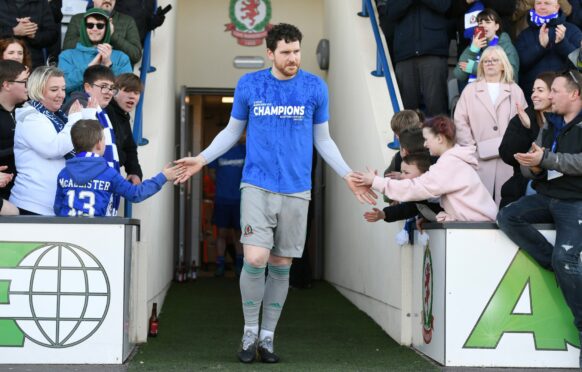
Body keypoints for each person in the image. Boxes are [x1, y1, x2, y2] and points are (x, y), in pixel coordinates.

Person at [174, 23, 376, 364]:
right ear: (269, 53)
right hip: (257, 184)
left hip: (298, 188)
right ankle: (249, 331)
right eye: (285, 52)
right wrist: (202, 158)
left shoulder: (315, 87)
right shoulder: (250, 84)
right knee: (255, 258)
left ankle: (267, 337)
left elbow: (323, 139)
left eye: (296, 51)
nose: (293, 57)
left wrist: (346, 175)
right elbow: (232, 130)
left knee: (281, 264)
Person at [497, 69, 582, 369]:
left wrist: (544, 159)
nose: (550, 95)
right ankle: (555, 266)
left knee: (567, 260)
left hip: (575, 202)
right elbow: (537, 165)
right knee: (508, 216)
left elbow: (574, 162)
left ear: (574, 94)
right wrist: (532, 167)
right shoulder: (552, 123)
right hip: (548, 195)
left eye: (555, 90)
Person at [353, 115, 498, 222]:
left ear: (439, 139)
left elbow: (417, 189)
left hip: (478, 228)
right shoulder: (451, 161)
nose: (425, 145)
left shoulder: (450, 164)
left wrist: (375, 181)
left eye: (427, 139)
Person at [9, 66, 94, 215]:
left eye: (63, 89)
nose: (61, 95)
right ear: (38, 90)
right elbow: (53, 148)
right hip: (32, 206)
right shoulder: (30, 117)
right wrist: (74, 120)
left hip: (56, 205)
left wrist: (87, 117)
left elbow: (86, 147)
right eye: (54, 90)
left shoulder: (59, 117)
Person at [54, 119, 181, 216]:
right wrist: (163, 177)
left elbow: (58, 207)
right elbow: (135, 194)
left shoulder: (64, 173)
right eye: (104, 139)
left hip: (67, 234)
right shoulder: (108, 173)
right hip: (95, 234)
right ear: (99, 144)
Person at [454, 46, 527, 206]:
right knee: (479, 205)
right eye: (486, 60)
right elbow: (460, 120)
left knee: (506, 204)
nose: (490, 63)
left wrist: (512, 147)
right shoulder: (470, 90)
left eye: (495, 60)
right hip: (478, 157)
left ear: (503, 65)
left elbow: (524, 123)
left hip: (507, 159)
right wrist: (471, 148)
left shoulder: (515, 90)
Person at [63, 65, 122, 215]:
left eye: (112, 88)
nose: (109, 92)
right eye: (103, 87)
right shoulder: (81, 105)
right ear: (87, 87)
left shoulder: (101, 110)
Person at [499, 71, 556, 207]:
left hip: (559, 185)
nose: (534, 95)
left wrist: (532, 128)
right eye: (533, 90)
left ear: (554, 93)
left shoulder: (565, 119)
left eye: (540, 90)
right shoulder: (523, 118)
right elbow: (507, 155)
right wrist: (527, 128)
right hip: (524, 182)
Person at [385, 0, 451, 116]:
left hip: (433, 51)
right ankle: (409, 135)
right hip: (405, 54)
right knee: (407, 111)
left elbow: (445, 5)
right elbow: (391, 12)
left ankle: (438, 135)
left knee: (436, 107)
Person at [515, 0, 582, 105]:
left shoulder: (572, 30)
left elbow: (580, 63)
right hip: (533, 98)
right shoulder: (524, 34)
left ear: (557, 7)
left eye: (547, 3)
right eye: (539, 3)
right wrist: (540, 47)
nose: (542, 7)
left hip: (565, 99)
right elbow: (520, 65)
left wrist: (563, 44)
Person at [59, 8, 132, 96]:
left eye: (100, 26)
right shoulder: (67, 56)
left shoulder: (122, 57)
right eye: (90, 25)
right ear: (83, 28)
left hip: (110, 109)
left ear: (107, 29)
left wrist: (109, 65)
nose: (95, 29)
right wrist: (89, 68)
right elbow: (63, 87)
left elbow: (127, 92)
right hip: (76, 108)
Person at [364, 152, 442, 224]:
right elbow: (405, 209)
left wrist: (374, 181)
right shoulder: (417, 199)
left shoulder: (434, 188)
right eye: (401, 172)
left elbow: (406, 190)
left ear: (425, 174)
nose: (401, 176)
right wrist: (383, 214)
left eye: (406, 172)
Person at [63, 0, 142, 66]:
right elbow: (67, 48)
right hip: (82, 73)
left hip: (117, 76)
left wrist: (112, 35)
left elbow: (136, 56)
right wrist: (93, 33)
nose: (108, 0)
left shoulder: (127, 21)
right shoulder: (78, 19)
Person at [208, 140, 245, 277]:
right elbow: (211, 172)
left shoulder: (245, 150)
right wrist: (223, 185)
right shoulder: (219, 148)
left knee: (239, 234)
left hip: (241, 200)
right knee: (221, 233)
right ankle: (220, 266)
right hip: (222, 199)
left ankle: (239, 266)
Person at [454, 8, 520, 85]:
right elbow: (459, 74)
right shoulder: (475, 45)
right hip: (474, 93)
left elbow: (512, 74)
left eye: (488, 22)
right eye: (480, 23)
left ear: (496, 26)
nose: (483, 25)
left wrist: (477, 68)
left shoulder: (505, 46)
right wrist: (472, 50)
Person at [105, 73, 143, 184]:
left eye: (136, 93)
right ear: (114, 92)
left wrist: (135, 172)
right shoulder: (106, 110)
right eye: (127, 91)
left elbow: (130, 148)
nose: (132, 96)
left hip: (112, 174)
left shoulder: (123, 116)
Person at [0, 60, 28, 202]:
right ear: (7, 85)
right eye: (24, 82)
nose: (27, 86)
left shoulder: (26, 112)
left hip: (22, 194)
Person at [0, 0, 59, 68]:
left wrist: (33, 35)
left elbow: (52, 34)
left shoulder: (41, 3)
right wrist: (14, 31)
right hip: (3, 63)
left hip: (33, 63)